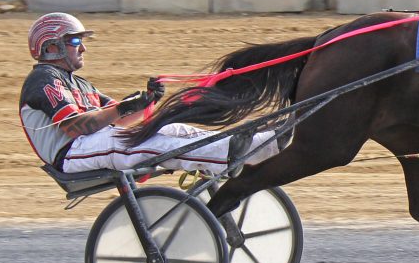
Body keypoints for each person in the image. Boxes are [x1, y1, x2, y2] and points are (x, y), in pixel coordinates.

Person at [19, 12, 278, 178]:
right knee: (152, 145)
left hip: (94, 143)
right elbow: (76, 127)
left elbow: (121, 121)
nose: (83, 48)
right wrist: (121, 108)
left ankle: (255, 145)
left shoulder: (80, 84)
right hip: (71, 154)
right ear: (51, 47)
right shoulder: (43, 79)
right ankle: (226, 154)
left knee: (175, 130)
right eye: (74, 42)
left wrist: (146, 103)